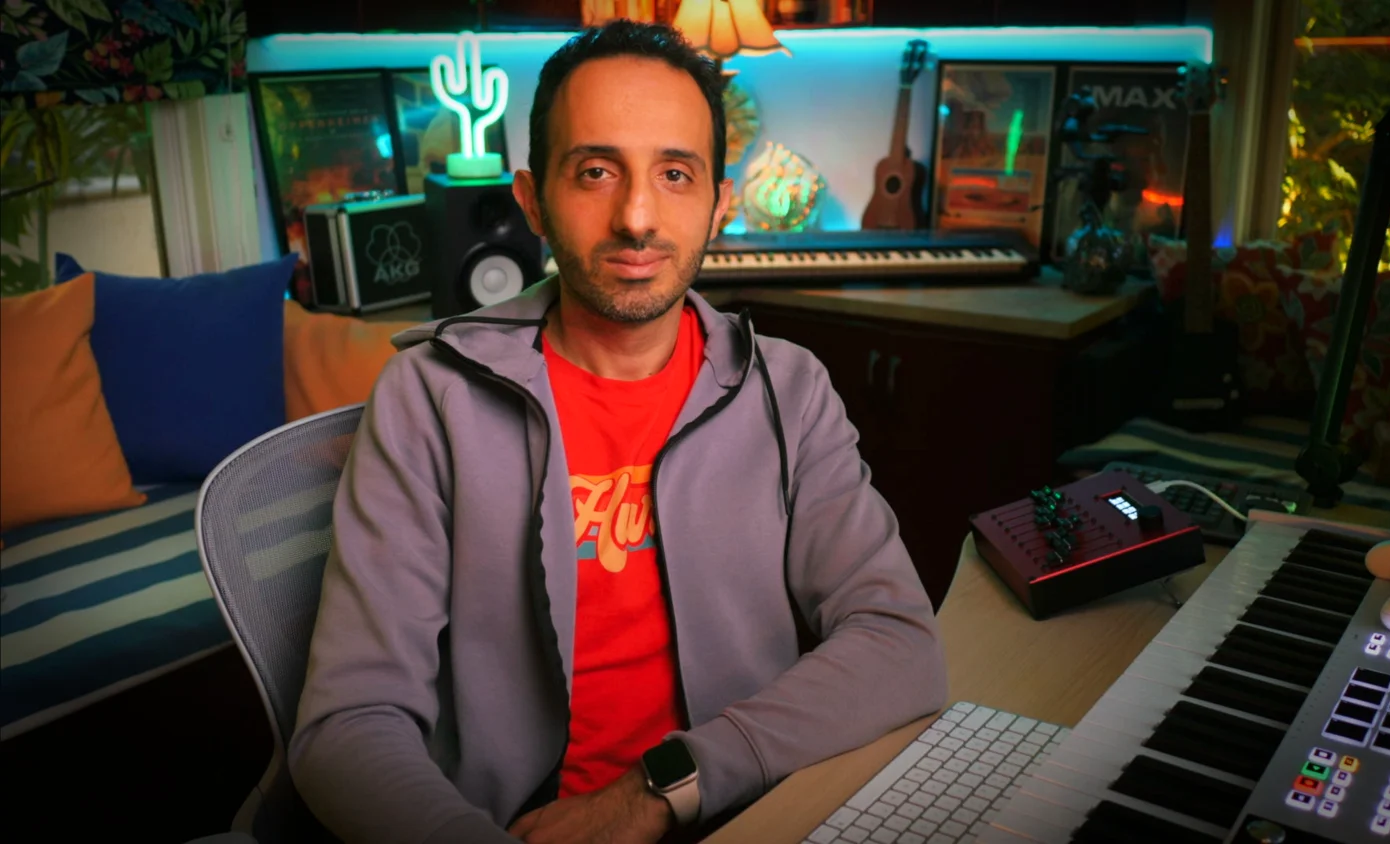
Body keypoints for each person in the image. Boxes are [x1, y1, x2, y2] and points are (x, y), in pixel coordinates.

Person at [288, 19, 947, 844]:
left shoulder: (789, 389)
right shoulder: (430, 398)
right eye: (596, 171)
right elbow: (349, 724)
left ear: (719, 205)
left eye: (675, 174)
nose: (637, 217)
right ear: (532, 200)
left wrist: (655, 790)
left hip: (743, 815)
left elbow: (900, 644)